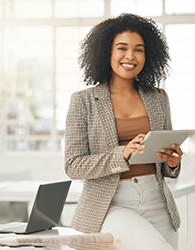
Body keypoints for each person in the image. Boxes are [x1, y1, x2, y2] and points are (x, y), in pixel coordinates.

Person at [64, 13, 183, 250]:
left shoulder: (158, 98)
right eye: (122, 48)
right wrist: (123, 153)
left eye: (139, 49)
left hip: (157, 201)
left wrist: (172, 161)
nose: (130, 56)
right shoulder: (83, 101)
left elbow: (167, 166)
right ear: (107, 52)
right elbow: (73, 165)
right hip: (112, 203)